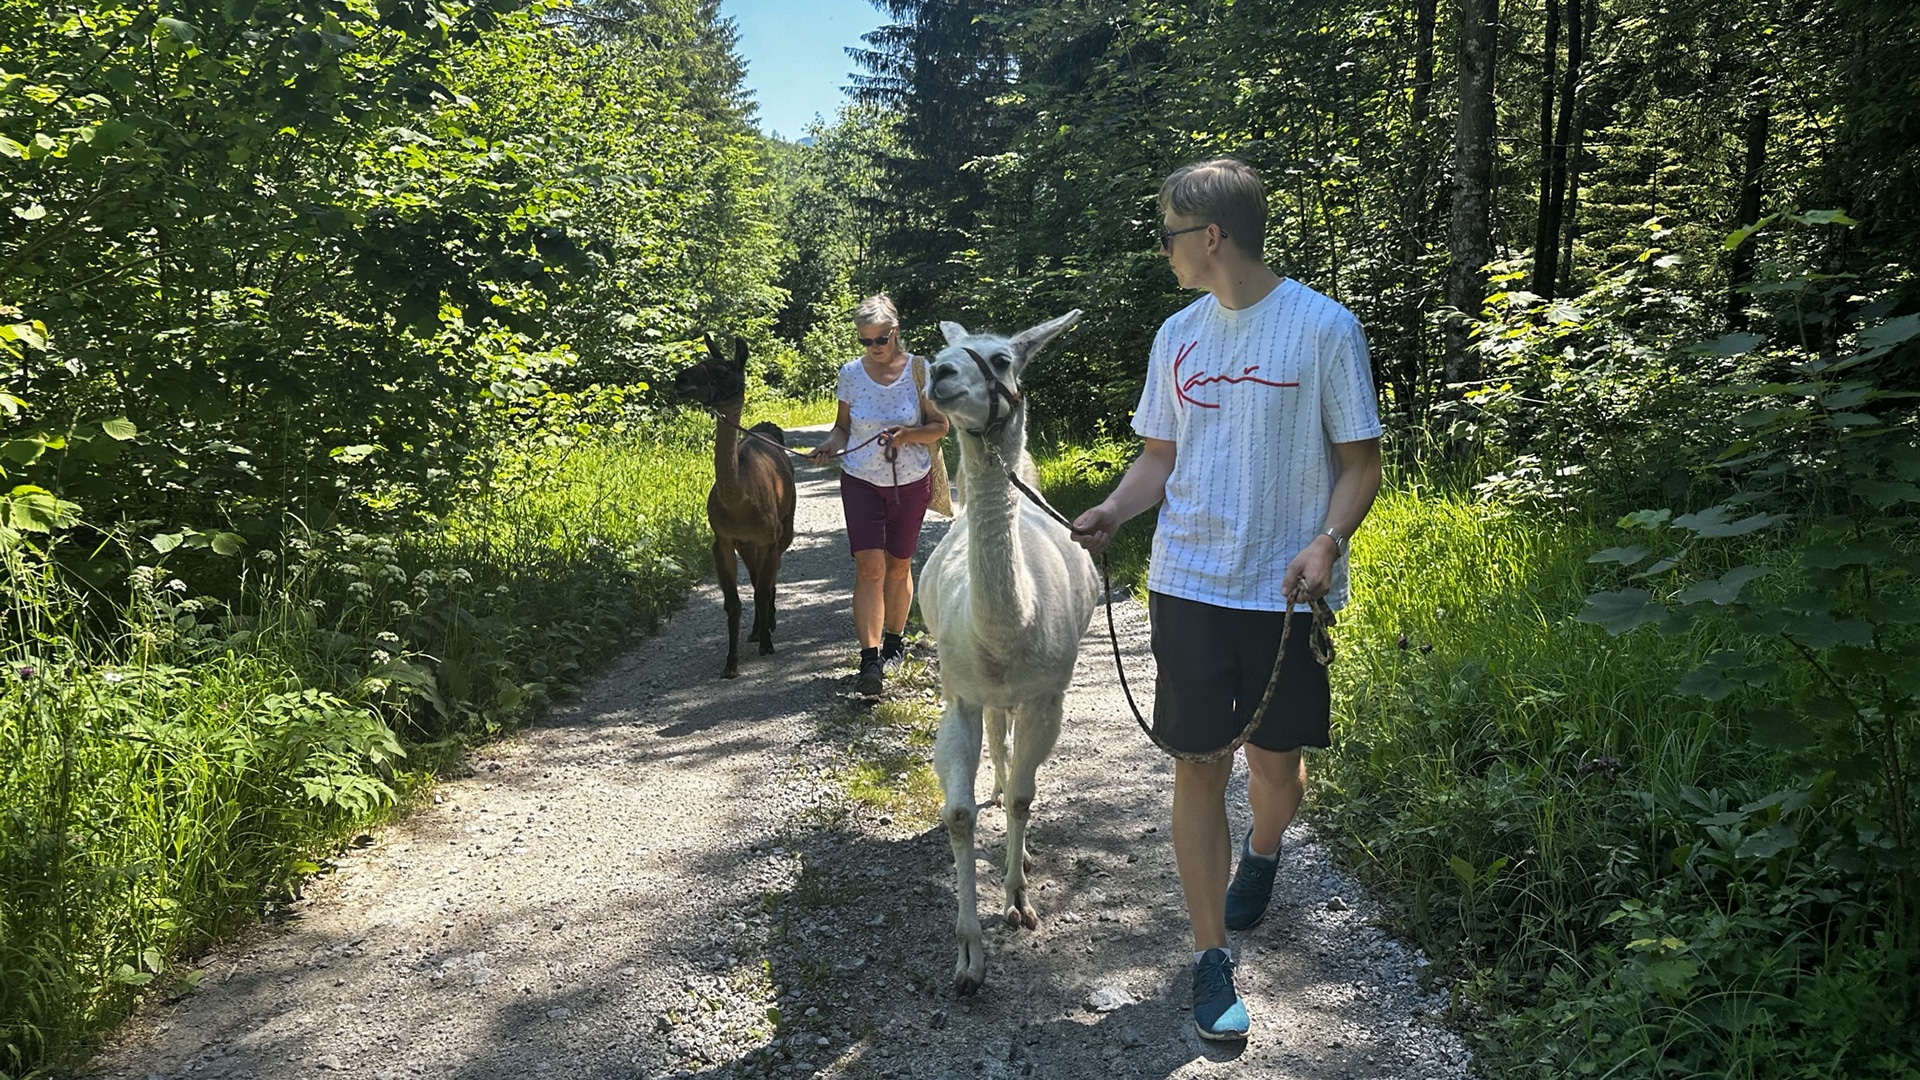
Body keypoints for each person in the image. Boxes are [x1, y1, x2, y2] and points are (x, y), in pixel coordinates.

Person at [1071, 159, 1384, 1042]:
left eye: (1168, 233)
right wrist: (1114, 511)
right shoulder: (1177, 335)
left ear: (1210, 236)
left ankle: (1266, 849)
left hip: (1287, 591)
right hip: (1190, 583)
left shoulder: (1324, 329)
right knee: (1198, 765)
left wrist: (1328, 540)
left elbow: (1361, 463)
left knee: (1275, 769)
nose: (1163, 250)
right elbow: (1159, 459)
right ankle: (1211, 958)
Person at [808, 294, 950, 696]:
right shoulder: (850, 374)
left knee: (899, 566)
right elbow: (841, 428)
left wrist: (908, 436)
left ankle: (894, 640)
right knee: (869, 568)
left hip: (910, 483)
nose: (874, 348)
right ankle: (869, 661)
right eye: (865, 341)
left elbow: (940, 427)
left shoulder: (921, 370)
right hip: (861, 481)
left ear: (895, 332)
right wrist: (828, 447)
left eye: (880, 339)